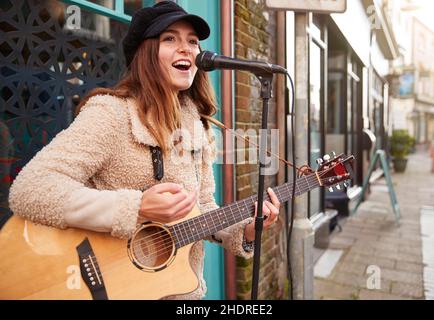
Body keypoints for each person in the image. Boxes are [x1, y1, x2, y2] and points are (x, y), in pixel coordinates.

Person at [8, 1, 280, 299]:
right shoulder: (111, 114)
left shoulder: (199, 127)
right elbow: (30, 189)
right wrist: (135, 208)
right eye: (170, 39)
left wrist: (247, 229)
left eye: (192, 41)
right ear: (145, 53)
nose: (186, 48)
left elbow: (202, 208)